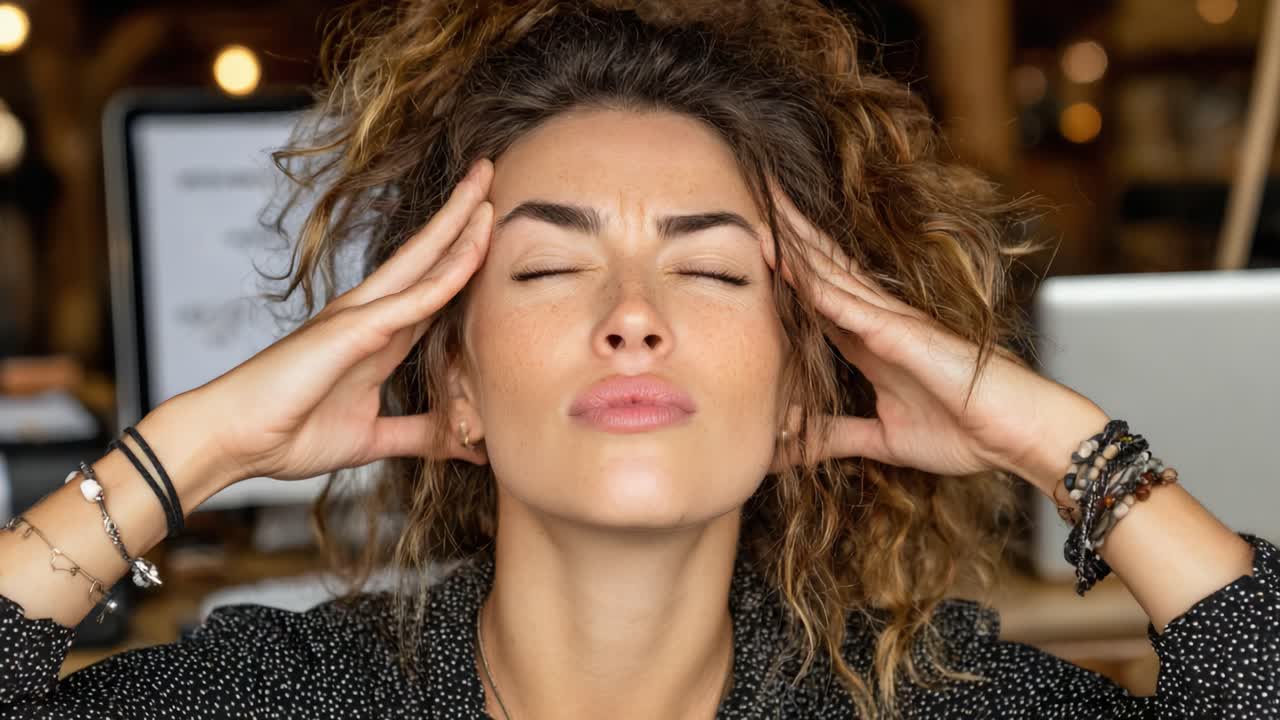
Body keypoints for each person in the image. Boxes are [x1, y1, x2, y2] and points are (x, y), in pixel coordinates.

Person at [2, 1, 1277, 718]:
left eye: (713, 269)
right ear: (453, 384)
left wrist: (1044, 435)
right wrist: (190, 451)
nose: (632, 315)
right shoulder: (288, 699)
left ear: (800, 383)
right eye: (548, 268)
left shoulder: (928, 704)